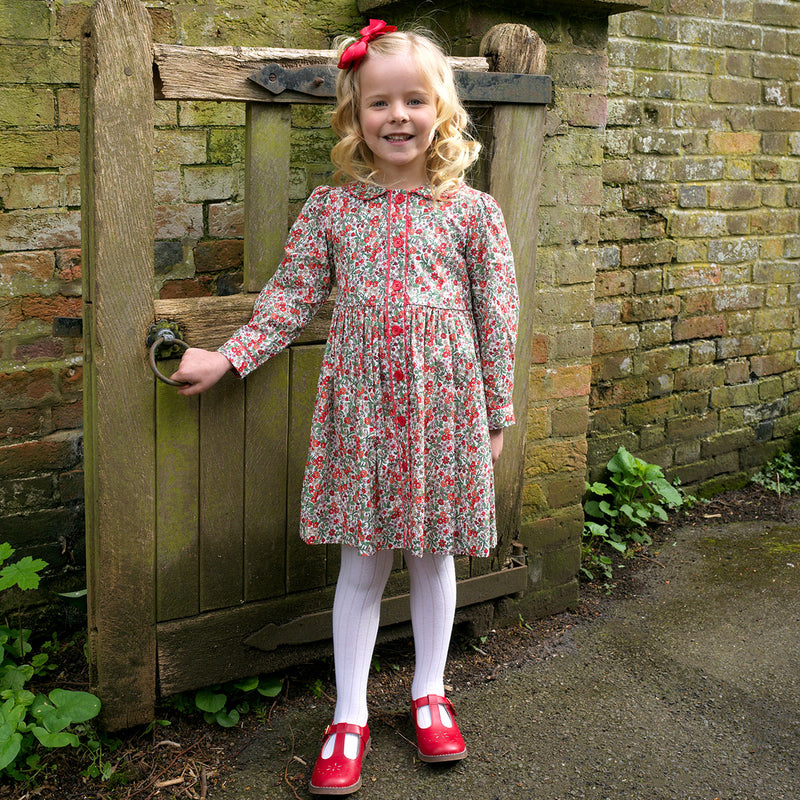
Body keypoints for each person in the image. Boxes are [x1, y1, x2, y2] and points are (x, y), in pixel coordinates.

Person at [171, 19, 518, 796]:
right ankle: (351, 713)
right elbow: (291, 297)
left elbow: (499, 316)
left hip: (446, 405)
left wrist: (496, 412)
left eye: (414, 101)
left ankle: (430, 693)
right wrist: (230, 356)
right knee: (362, 561)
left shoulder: (473, 213)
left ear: (442, 111)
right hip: (362, 409)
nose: (398, 117)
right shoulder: (332, 210)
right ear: (355, 116)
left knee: (435, 553)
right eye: (379, 104)